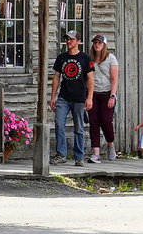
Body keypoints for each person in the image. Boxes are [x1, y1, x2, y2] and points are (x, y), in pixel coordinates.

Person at [49, 30, 93, 166]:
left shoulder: (85, 58)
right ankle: (61, 154)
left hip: (79, 98)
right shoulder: (61, 57)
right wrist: (53, 97)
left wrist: (89, 97)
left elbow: (91, 79)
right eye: (67, 39)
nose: (69, 42)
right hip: (64, 97)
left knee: (79, 128)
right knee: (59, 124)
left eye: (72, 39)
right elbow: (56, 77)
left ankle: (79, 156)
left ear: (78, 42)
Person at [87, 34, 120, 163]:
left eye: (99, 43)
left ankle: (111, 144)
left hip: (107, 93)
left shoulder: (111, 58)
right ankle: (96, 152)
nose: (97, 45)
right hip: (93, 93)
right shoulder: (90, 59)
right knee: (93, 121)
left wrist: (112, 95)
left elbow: (114, 78)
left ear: (104, 45)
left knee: (106, 121)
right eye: (95, 43)